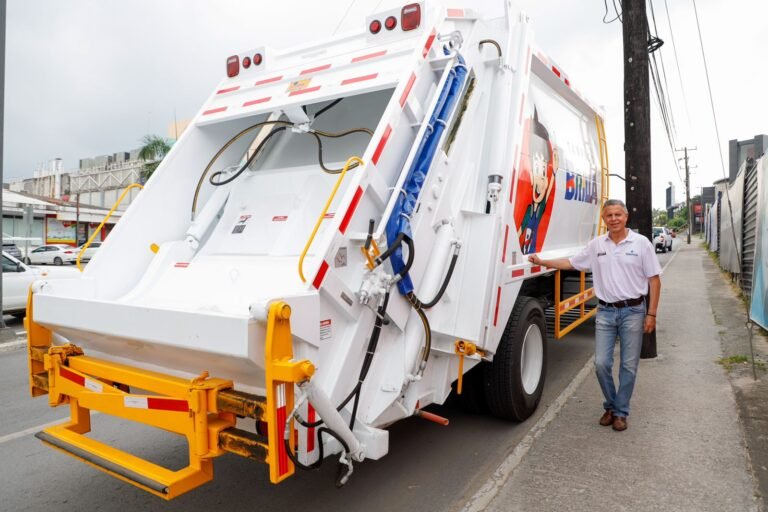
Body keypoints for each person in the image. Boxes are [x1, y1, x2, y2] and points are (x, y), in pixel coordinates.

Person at [528, 199, 661, 431]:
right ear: (604, 219)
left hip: (633, 311)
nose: (614, 219)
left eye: (618, 214)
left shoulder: (641, 244)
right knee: (601, 364)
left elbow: (655, 280)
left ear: (626, 217)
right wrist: (543, 261)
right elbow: (571, 263)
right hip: (606, 312)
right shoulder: (597, 245)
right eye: (609, 215)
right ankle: (611, 404)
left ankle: (620, 412)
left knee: (629, 366)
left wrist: (651, 314)